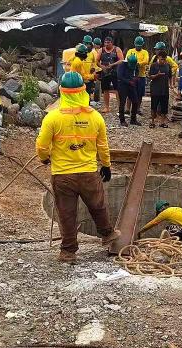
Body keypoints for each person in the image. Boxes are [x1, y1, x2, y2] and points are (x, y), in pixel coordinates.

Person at [35, 72, 120, 263]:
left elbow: (41, 146)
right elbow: (103, 146)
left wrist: (45, 158)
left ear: (62, 92)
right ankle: (107, 233)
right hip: (88, 172)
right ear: (83, 91)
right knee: (97, 205)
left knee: (66, 213)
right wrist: (106, 165)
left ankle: (68, 252)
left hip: (63, 175)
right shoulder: (95, 117)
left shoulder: (52, 118)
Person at [98, 36, 124, 113]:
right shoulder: (101, 50)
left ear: (112, 43)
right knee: (105, 89)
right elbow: (97, 60)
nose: (106, 44)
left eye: (108, 43)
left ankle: (120, 107)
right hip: (105, 72)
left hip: (115, 72)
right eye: (105, 42)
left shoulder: (117, 49)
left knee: (117, 89)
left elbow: (121, 60)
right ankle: (106, 107)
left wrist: (112, 64)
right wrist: (101, 66)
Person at [125, 36, 149, 113]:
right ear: (134, 44)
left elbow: (146, 60)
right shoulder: (130, 51)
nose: (138, 47)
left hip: (141, 76)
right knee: (130, 93)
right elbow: (127, 59)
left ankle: (137, 108)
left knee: (140, 93)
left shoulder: (145, 52)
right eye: (137, 45)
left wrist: (138, 63)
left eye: (140, 46)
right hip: (131, 75)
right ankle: (128, 108)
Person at [148, 52, 172, 129]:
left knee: (164, 106)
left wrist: (171, 84)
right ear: (158, 57)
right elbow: (150, 76)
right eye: (162, 59)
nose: (163, 61)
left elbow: (170, 76)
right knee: (154, 106)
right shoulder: (153, 65)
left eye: (164, 59)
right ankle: (152, 121)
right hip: (155, 89)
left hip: (164, 89)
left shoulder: (168, 65)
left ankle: (162, 122)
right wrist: (157, 75)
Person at [117, 54, 141, 127]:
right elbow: (120, 76)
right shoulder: (122, 65)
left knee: (135, 101)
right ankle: (122, 120)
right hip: (123, 85)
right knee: (122, 102)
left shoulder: (136, 65)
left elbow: (137, 71)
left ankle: (133, 119)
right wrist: (128, 81)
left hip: (131, 85)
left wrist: (136, 77)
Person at [91, 37, 103, 102]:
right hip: (96, 69)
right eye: (97, 44)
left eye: (98, 44)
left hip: (97, 69)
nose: (97, 46)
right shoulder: (99, 51)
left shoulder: (94, 51)